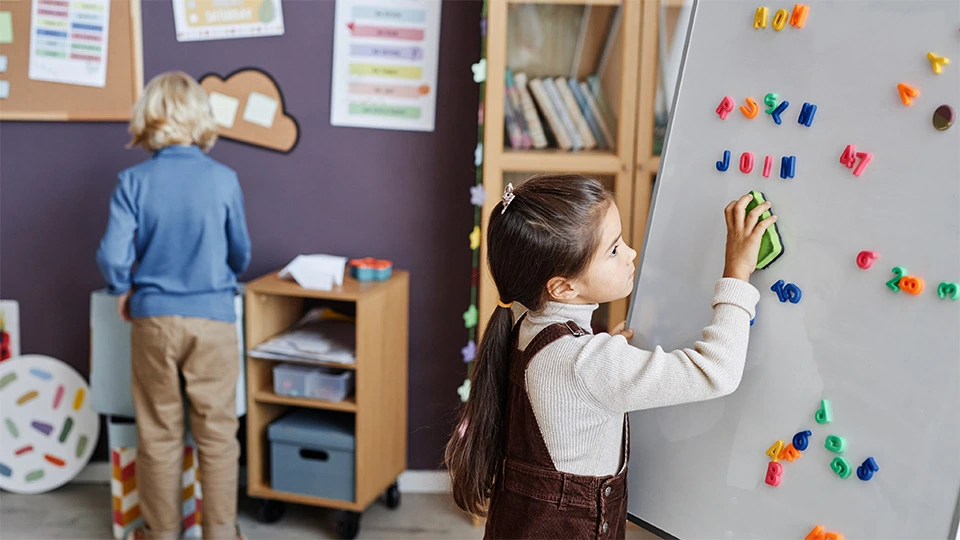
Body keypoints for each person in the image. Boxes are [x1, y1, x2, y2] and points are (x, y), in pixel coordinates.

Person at [445, 174, 776, 539]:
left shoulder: (526, 327)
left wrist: (603, 355)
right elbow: (717, 371)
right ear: (563, 287)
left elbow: (571, 388)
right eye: (614, 249)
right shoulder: (586, 363)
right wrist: (737, 272)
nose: (631, 254)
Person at [96, 71, 251, 540]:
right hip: (215, 319)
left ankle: (161, 534)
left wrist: (123, 286)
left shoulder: (133, 180)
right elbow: (239, 253)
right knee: (218, 435)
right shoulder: (224, 180)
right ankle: (220, 533)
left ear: (150, 118)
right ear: (199, 118)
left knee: (159, 434)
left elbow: (111, 256)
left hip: (154, 320)